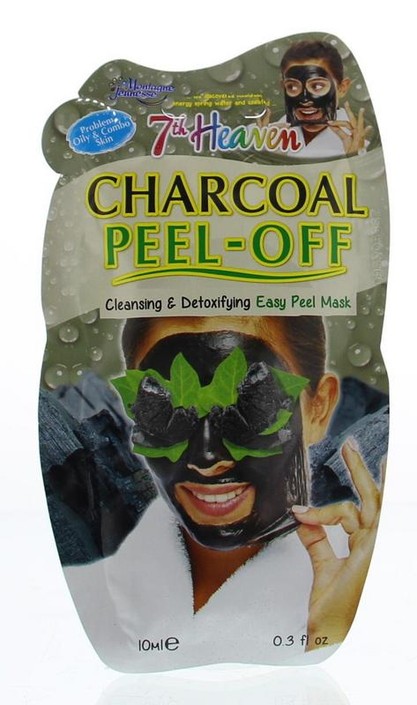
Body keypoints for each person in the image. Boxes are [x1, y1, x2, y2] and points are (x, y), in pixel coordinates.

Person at [64, 314, 383, 671]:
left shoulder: (380, 596)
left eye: (254, 407)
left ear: (318, 408)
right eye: (164, 412)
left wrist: (330, 632)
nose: (207, 459)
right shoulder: (74, 605)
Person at [259, 39, 372, 159]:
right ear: (284, 88)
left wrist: (354, 160)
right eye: (292, 87)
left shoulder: (361, 148)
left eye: (317, 86)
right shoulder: (268, 137)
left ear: (342, 88)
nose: (305, 100)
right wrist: (269, 157)